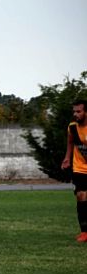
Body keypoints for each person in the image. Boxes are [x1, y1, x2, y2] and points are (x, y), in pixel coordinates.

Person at [61, 98, 87, 243]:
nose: (75, 114)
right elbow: (70, 142)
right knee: (81, 196)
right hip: (80, 168)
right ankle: (84, 232)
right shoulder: (72, 127)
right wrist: (67, 158)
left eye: (79, 111)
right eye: (74, 111)